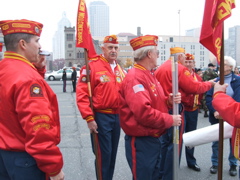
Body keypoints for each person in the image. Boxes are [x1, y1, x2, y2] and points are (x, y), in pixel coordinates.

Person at [0, 19, 64, 180]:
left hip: (5, 154)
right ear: (23, 44)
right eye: (36, 41)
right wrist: (54, 168)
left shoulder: (5, 67)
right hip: (24, 160)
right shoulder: (27, 78)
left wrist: (38, 70)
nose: (40, 46)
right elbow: (39, 128)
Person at [119, 35, 182, 180]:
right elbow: (144, 113)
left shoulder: (148, 74)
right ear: (149, 54)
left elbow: (154, 101)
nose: (158, 55)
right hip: (142, 142)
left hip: (154, 138)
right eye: (157, 52)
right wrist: (170, 119)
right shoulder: (135, 77)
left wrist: (168, 101)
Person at [154, 47, 215, 180]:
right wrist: (210, 84)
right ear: (180, 56)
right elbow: (195, 87)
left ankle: (161, 173)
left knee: (164, 143)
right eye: (183, 57)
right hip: (174, 109)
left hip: (162, 108)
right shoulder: (178, 68)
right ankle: (169, 175)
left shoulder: (161, 68)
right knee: (175, 142)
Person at [76, 35, 125, 180]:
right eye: (110, 47)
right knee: (103, 155)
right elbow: (82, 94)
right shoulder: (92, 66)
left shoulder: (119, 69)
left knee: (112, 155)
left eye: (116, 48)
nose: (113, 50)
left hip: (117, 117)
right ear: (103, 49)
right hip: (101, 116)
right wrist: (89, 118)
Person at [206, 56, 239, 176]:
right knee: (216, 141)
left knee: (233, 141)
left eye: (224, 64)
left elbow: (238, 99)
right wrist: (215, 110)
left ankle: (233, 164)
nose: (221, 65)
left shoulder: (238, 80)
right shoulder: (216, 80)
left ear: (231, 67)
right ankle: (215, 163)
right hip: (217, 116)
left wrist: (227, 111)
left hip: (232, 116)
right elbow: (209, 97)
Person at [182, 53, 203, 172]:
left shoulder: (198, 78)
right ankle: (174, 162)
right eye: (187, 62)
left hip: (193, 111)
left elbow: (201, 92)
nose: (189, 64)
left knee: (192, 137)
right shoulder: (181, 75)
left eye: (191, 62)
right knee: (177, 137)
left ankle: (191, 161)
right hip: (182, 110)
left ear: (194, 63)